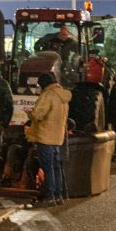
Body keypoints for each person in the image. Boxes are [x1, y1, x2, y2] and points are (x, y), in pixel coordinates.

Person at [27, 72, 71, 206]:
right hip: (57, 137)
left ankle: (50, 196)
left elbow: (38, 114)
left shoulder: (48, 95)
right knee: (56, 166)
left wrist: (29, 113)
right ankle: (58, 196)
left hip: (45, 136)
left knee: (48, 167)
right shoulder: (62, 96)